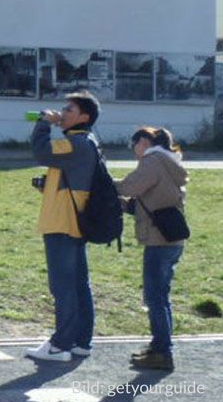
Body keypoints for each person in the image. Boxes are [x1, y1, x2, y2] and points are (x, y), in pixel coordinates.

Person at [25, 91, 101, 362]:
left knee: (63, 286)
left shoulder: (77, 142)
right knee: (79, 284)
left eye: (69, 109)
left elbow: (41, 151)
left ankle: (60, 345)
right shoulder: (85, 142)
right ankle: (81, 341)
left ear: (84, 116)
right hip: (73, 221)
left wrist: (44, 122)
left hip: (62, 223)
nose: (63, 113)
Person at [116, 126, 188, 371]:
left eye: (133, 145)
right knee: (161, 297)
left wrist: (103, 183)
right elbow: (148, 201)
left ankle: (162, 352)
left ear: (144, 142)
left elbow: (129, 187)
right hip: (172, 239)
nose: (134, 151)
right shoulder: (170, 162)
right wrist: (124, 206)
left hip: (159, 241)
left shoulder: (153, 160)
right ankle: (160, 347)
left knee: (154, 298)